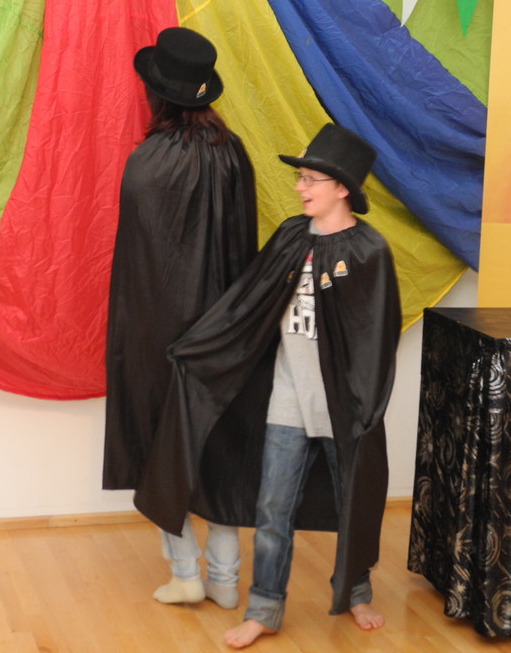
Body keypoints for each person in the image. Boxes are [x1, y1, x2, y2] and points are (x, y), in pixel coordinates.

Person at [133, 123, 402, 647]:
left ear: (341, 187)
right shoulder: (291, 238)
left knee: (354, 503)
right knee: (272, 511)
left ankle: (356, 592)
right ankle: (264, 609)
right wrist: (198, 349)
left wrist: (366, 409)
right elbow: (246, 303)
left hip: (342, 408)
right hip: (287, 399)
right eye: (300, 178)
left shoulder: (369, 251)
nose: (300, 188)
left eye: (311, 180)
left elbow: (378, 335)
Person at [102, 27, 258, 610]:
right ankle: (226, 580)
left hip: (157, 339)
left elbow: (139, 268)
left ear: (157, 94)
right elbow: (244, 248)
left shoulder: (144, 165)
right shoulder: (234, 154)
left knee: (159, 447)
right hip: (224, 333)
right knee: (222, 445)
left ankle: (186, 573)